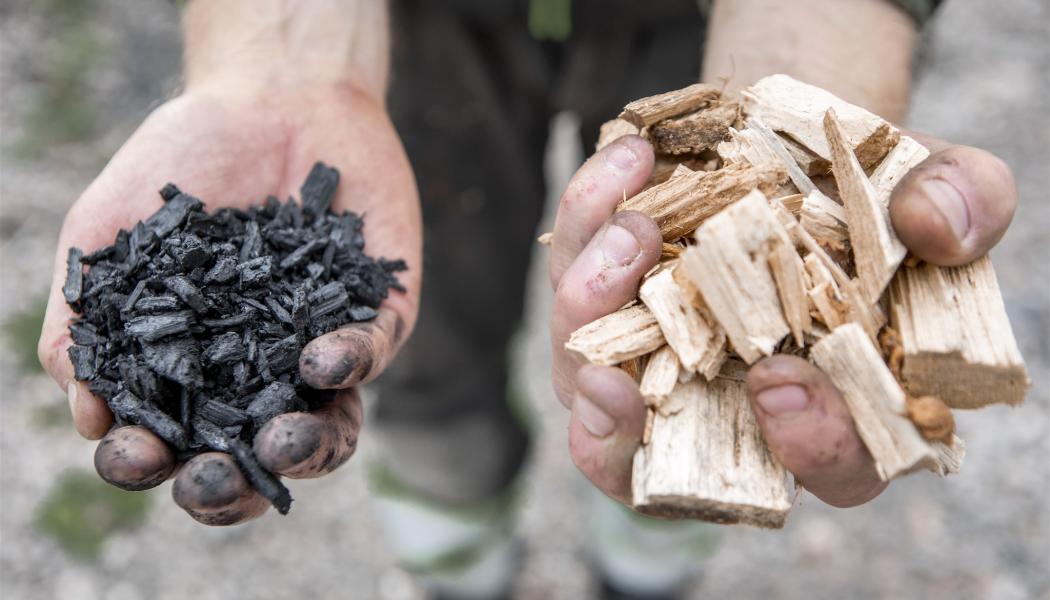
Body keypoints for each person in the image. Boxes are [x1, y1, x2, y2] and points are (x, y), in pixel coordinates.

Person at [36, 0, 1018, 598]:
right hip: (401, 30)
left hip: (708, 18)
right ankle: (461, 573)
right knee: (419, 366)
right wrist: (277, 55)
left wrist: (814, 88)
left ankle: (645, 576)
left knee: (685, 396)